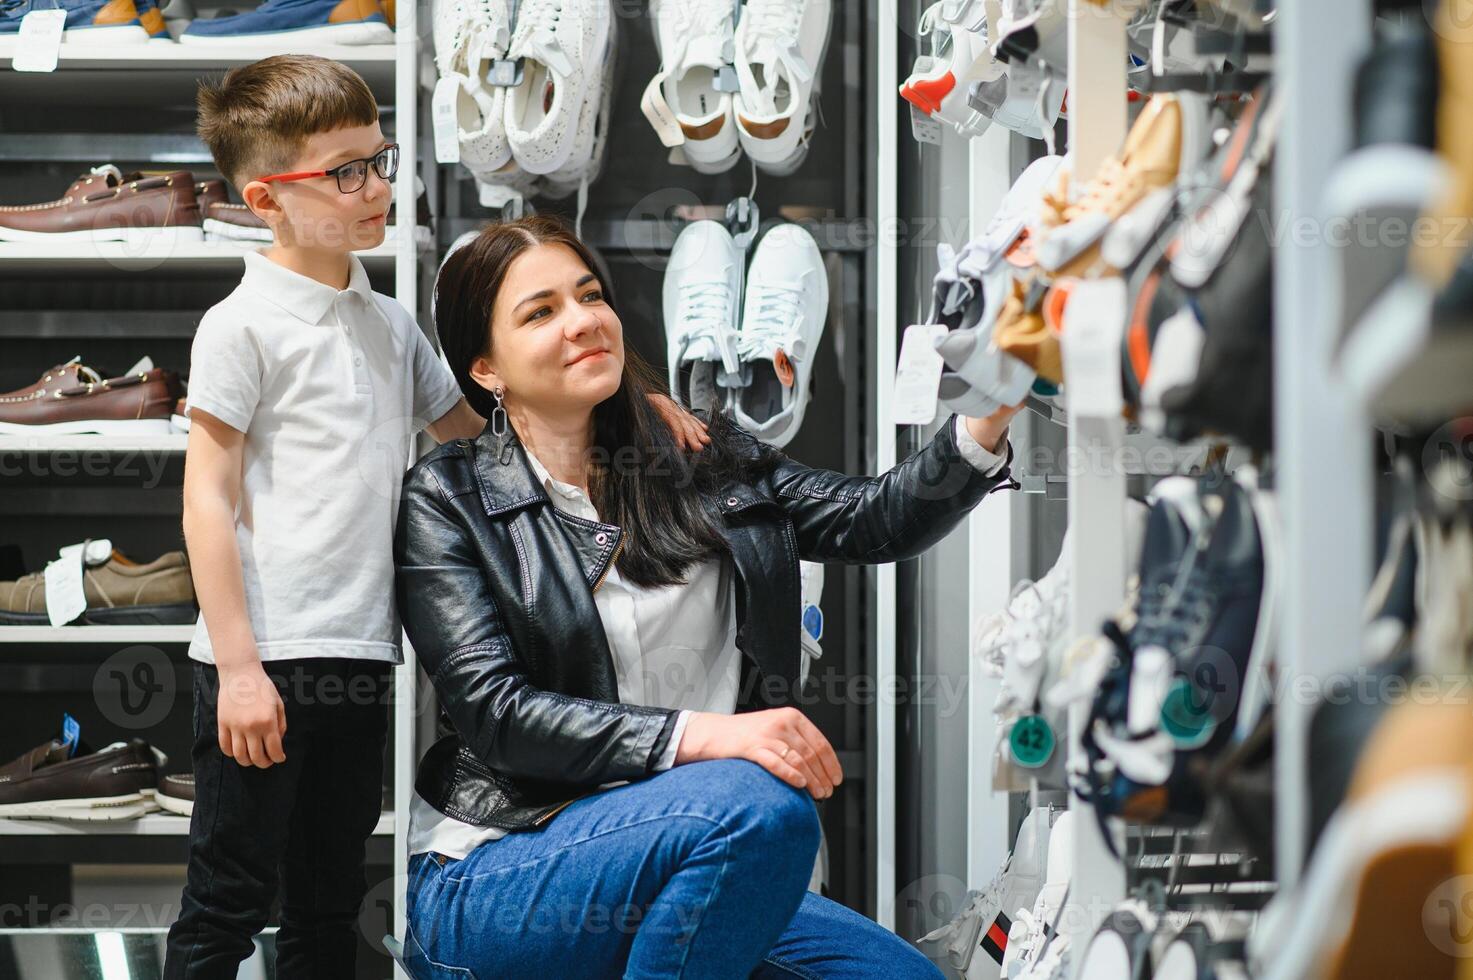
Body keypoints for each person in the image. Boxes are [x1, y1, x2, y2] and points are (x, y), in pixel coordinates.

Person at [165, 56, 702, 979]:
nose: (375, 187)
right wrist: (242, 669)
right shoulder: (240, 325)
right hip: (263, 660)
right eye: (344, 173)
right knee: (228, 899)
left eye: (378, 160)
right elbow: (204, 497)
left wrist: (626, 405)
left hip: (363, 654)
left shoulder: (389, 322)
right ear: (266, 200)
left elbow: (485, 433)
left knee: (329, 899)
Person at [395, 215, 1024, 978]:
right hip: (505, 866)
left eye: (589, 296)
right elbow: (498, 715)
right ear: (486, 367)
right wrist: (705, 737)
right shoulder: (449, 496)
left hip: (698, 840)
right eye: (541, 312)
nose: (583, 321)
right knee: (758, 804)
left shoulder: (696, 457)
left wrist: (993, 403)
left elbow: (871, 520)